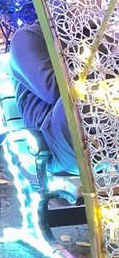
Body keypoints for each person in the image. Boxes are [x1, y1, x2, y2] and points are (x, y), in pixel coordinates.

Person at [8, 21, 79, 175]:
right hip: (55, 142)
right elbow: (52, 90)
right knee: (77, 98)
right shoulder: (27, 37)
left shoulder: (91, 37)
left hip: (101, 137)